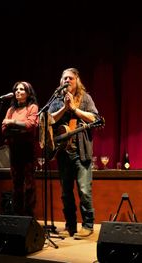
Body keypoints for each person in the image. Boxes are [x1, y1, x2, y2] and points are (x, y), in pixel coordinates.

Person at [48, 67, 99, 239]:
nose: (67, 81)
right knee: (66, 193)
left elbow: (94, 118)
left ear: (77, 80)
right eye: (64, 79)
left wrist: (75, 109)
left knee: (84, 191)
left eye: (70, 78)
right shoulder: (56, 100)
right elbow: (49, 119)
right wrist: (64, 107)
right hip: (63, 154)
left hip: (81, 153)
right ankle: (70, 225)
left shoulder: (85, 98)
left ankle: (87, 225)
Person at [1, 81, 39, 217]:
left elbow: (30, 125)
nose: (18, 91)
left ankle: (29, 214)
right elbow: (3, 129)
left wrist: (13, 123)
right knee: (16, 182)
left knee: (29, 183)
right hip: (14, 148)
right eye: (16, 89)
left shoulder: (32, 107)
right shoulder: (10, 110)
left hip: (27, 149)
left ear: (28, 93)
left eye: (22, 89)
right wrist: (19, 128)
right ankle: (17, 214)